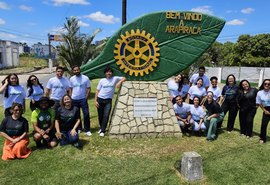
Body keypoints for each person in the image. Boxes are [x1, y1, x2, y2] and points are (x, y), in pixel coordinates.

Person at [95, 66, 126, 137]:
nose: (109, 73)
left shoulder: (115, 79)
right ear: (105, 73)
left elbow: (124, 78)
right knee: (100, 116)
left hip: (108, 101)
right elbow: (97, 91)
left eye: (110, 72)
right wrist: (95, 101)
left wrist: (119, 82)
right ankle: (101, 127)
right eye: (107, 72)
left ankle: (103, 130)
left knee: (106, 115)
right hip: (100, 99)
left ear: (112, 73)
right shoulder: (102, 80)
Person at [70, 65, 92, 136]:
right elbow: (70, 88)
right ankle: (79, 128)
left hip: (83, 99)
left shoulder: (85, 78)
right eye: (75, 70)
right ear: (73, 71)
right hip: (74, 99)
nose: (76, 71)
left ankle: (87, 130)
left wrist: (86, 97)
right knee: (77, 115)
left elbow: (88, 88)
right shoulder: (71, 79)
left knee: (86, 114)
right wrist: (70, 97)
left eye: (77, 70)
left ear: (80, 70)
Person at [256, 79, 270, 143]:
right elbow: (259, 103)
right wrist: (264, 110)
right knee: (264, 125)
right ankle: (262, 138)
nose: (267, 85)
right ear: (263, 84)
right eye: (265, 84)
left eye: (269, 84)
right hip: (266, 109)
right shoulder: (260, 92)